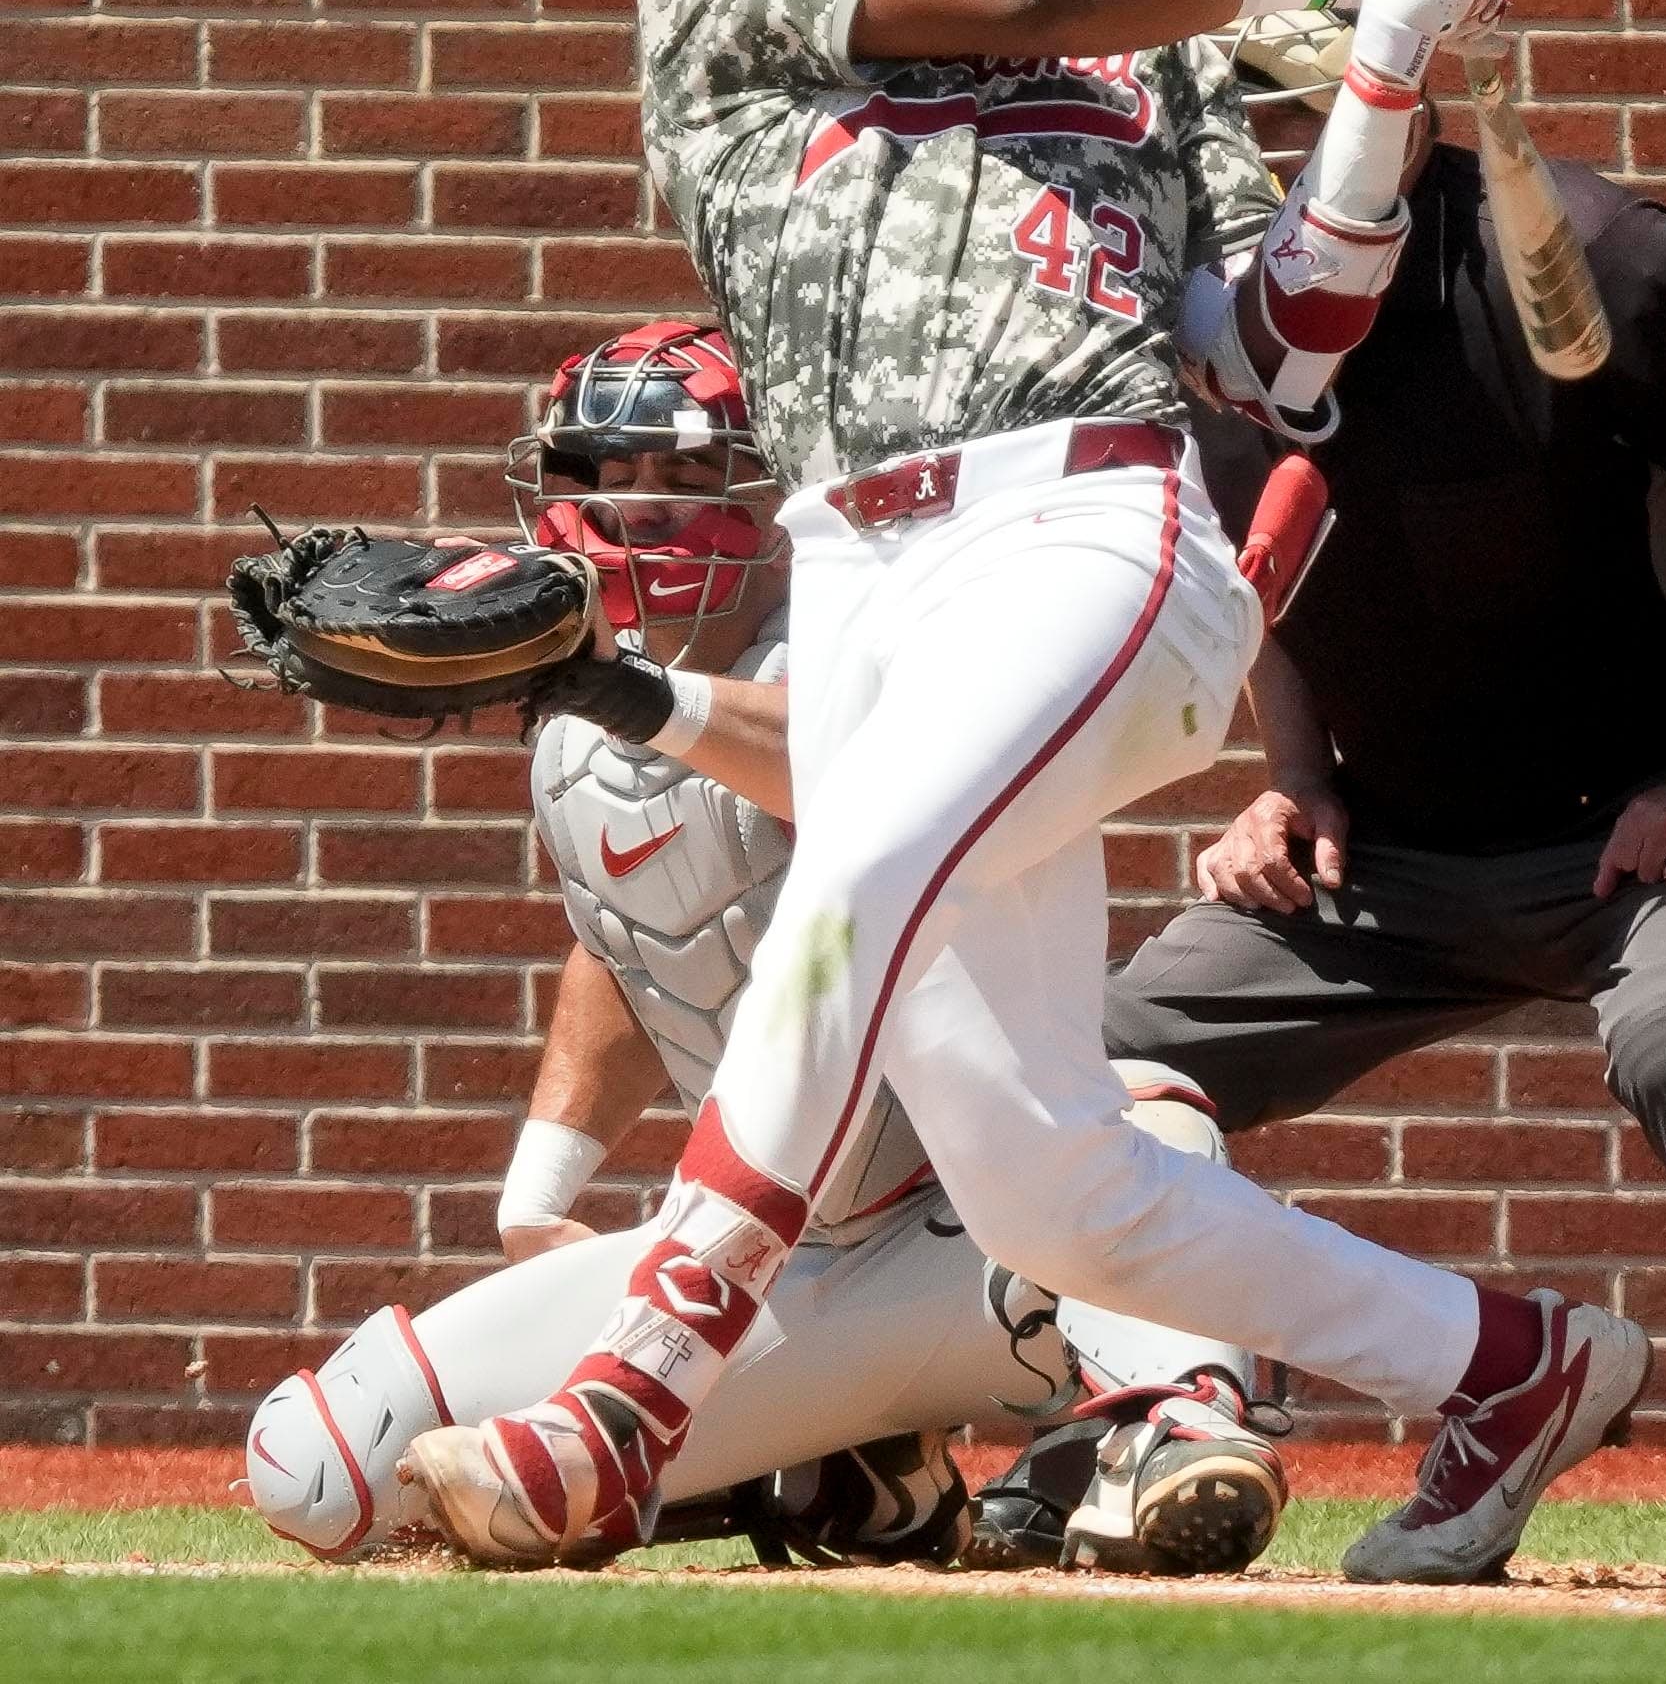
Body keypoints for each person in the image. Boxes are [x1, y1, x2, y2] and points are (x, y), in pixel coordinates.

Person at [396, 0, 1651, 1590]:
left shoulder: (1147, 64)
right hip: (859, 569)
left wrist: (1383, 75)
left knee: (859, 864)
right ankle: (1504, 1363)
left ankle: (624, 1404)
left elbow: (1280, 354)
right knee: (1049, 1184)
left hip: (1088, 533)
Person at [1103, 12, 1666, 1582]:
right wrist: (1293, 781)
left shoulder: (1603, 259)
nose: (1246, 165)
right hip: (1387, 844)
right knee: (1077, 1061)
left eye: (1283, 125)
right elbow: (1271, 563)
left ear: (1385, 128)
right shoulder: (1174, 316)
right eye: (1213, 132)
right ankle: (1140, 1420)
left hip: (1650, 820)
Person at [244, 322, 1290, 1575]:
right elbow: (634, 941)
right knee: (316, 1467)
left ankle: (1175, 1424)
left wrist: (622, 688)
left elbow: (854, 775)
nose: (647, 513)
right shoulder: (575, 726)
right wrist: (539, 1186)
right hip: (744, 1267)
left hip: (983, 1238)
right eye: (613, 475)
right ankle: (844, 1469)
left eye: (690, 480)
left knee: (1149, 1114)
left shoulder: (887, 626)